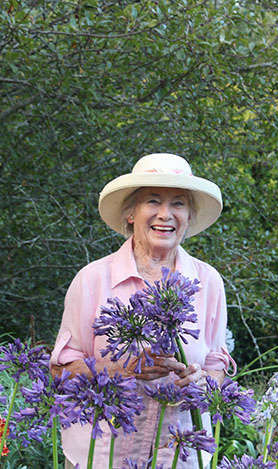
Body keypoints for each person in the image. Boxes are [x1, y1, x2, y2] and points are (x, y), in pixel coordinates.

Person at [50, 153, 236, 468]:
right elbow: (60, 371)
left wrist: (201, 381)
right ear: (132, 213)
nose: (165, 214)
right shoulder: (93, 279)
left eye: (178, 204)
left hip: (180, 453)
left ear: (189, 217)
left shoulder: (208, 282)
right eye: (153, 201)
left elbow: (218, 367)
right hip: (100, 455)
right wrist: (126, 372)